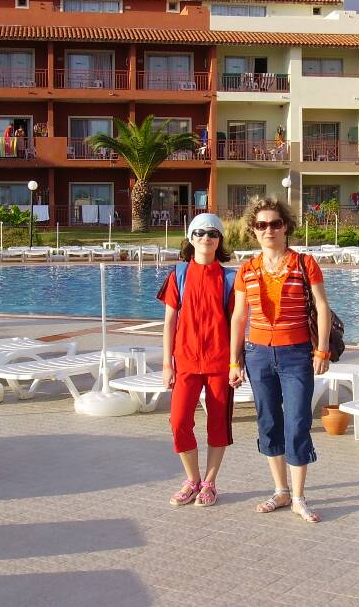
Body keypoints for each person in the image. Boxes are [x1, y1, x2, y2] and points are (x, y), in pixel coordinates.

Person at [229, 197, 331, 523]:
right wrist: (234, 361)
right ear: (254, 230)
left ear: (286, 226)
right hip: (258, 354)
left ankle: (299, 497)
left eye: (275, 223)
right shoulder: (247, 269)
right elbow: (239, 317)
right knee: (269, 421)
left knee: (298, 421)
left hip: (296, 353)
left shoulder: (304, 263)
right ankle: (281, 491)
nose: (269, 230)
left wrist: (322, 350)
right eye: (261, 225)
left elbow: (322, 308)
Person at [157, 213, 237, 508]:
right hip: (186, 363)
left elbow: (237, 323)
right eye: (200, 233)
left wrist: (235, 363)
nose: (206, 238)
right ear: (190, 238)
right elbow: (169, 323)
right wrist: (167, 364)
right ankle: (192, 480)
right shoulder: (177, 275)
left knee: (218, 425)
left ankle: (210, 483)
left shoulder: (230, 279)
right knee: (179, 422)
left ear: (220, 240)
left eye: (213, 233)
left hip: (219, 364)